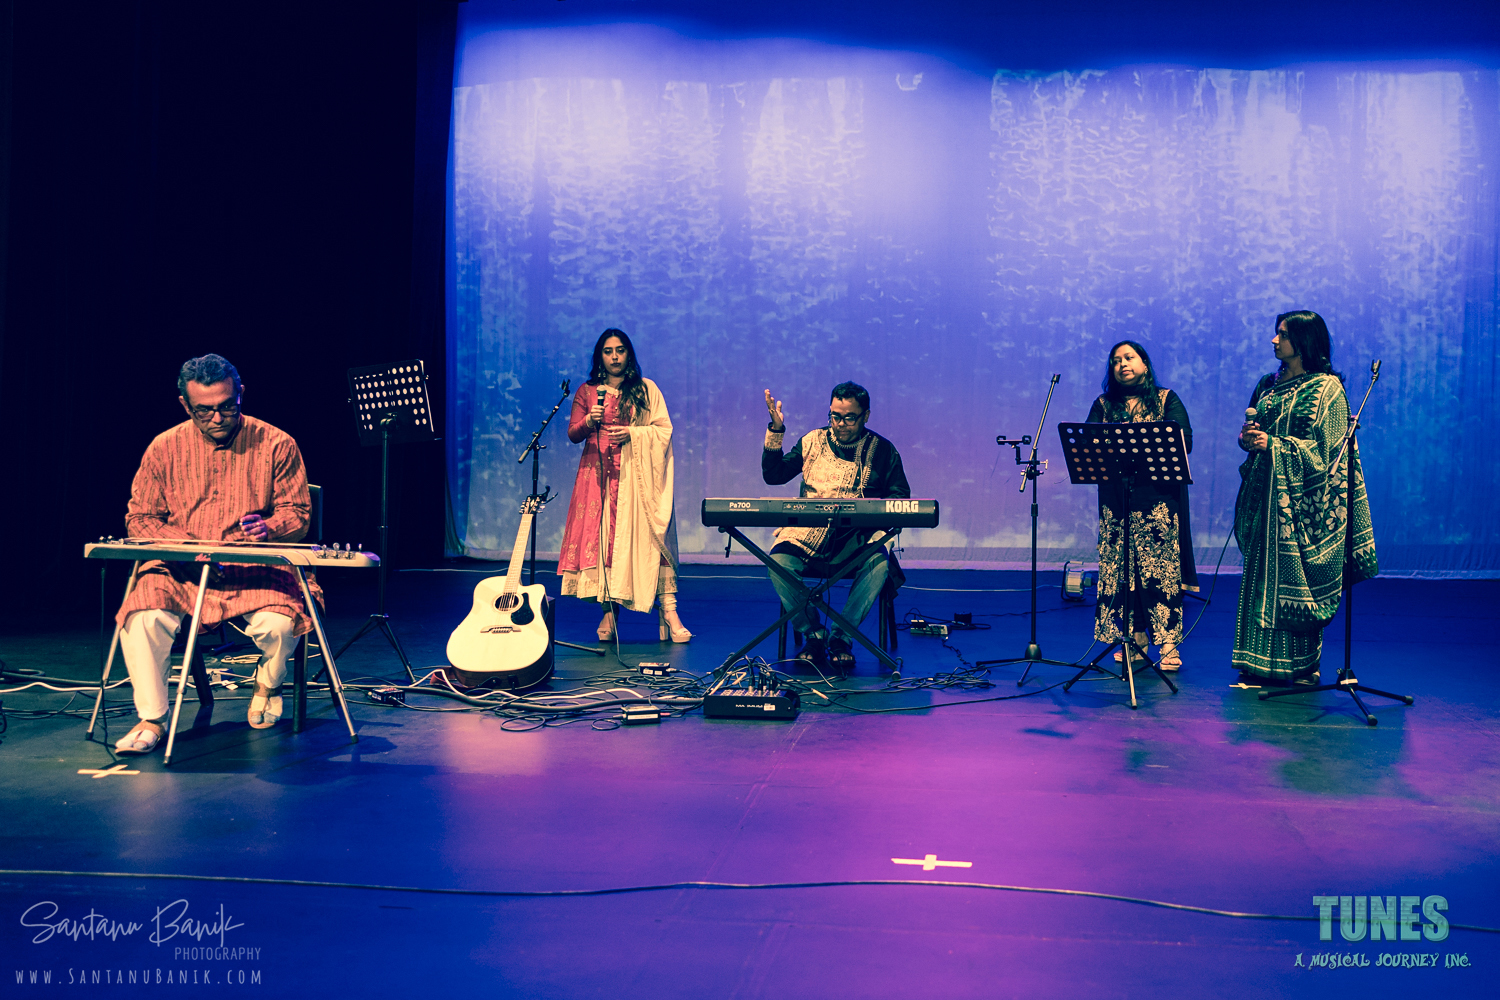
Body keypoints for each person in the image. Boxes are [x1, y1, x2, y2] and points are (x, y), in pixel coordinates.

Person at [113, 354, 319, 754]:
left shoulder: (277, 443)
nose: (218, 418)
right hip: (182, 567)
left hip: (252, 564)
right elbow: (140, 518)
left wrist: (270, 527)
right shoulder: (163, 447)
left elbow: (298, 513)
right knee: (142, 617)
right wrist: (184, 549)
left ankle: (267, 683)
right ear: (185, 405)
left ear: (241, 393)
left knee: (280, 624)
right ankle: (152, 719)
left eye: (227, 406)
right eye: (204, 410)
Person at [1232, 311, 1377, 684]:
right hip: (1264, 496)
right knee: (1261, 576)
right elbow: (1252, 435)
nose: (1274, 340)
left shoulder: (1327, 389)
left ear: (1304, 340)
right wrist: (1249, 439)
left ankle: (1300, 666)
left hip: (1302, 504)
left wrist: (1275, 445)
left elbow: (1329, 453)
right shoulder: (1267, 385)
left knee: (1293, 580)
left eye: (1282, 334)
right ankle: (1255, 662)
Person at [761, 381, 910, 673]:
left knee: (878, 563)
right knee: (778, 562)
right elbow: (773, 475)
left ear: (866, 416)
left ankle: (841, 638)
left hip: (857, 539)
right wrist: (776, 430)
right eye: (835, 416)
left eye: (849, 418)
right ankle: (814, 634)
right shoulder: (812, 441)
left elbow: (900, 497)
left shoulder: (883, 450)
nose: (840, 424)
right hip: (807, 535)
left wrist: (872, 519)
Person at [558, 329, 688, 643]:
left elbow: (663, 430)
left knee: (652, 539)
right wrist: (589, 421)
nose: (615, 357)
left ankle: (669, 611)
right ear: (599, 356)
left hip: (637, 478)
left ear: (629, 353)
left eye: (620, 350)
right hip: (598, 479)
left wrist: (633, 433)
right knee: (606, 543)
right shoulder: (588, 391)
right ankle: (609, 611)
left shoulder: (646, 389)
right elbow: (573, 433)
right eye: (608, 351)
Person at [1085, 341, 1198, 671]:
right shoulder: (1103, 404)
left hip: (1157, 499)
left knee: (1160, 572)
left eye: (1129, 357)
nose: (1122, 364)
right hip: (1116, 500)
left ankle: (1167, 644)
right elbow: (1089, 444)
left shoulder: (1166, 399)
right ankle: (1134, 640)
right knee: (1123, 572)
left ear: (1144, 364)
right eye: (1116, 360)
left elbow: (1184, 441)